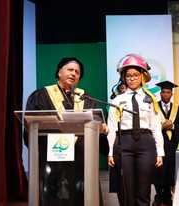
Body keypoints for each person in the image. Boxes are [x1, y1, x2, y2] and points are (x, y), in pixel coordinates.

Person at [25, 57, 108, 206]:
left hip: (80, 159)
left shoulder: (85, 98)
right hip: (53, 157)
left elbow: (96, 120)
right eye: (70, 70)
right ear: (59, 72)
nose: (74, 74)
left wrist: (101, 126)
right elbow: (31, 124)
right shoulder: (41, 96)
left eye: (77, 72)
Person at [107, 54, 164, 206]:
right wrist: (111, 152)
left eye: (135, 75)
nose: (132, 78)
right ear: (124, 78)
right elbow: (112, 127)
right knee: (127, 188)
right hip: (124, 143)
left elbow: (156, 127)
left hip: (146, 144)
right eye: (128, 76)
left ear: (142, 76)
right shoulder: (117, 100)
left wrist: (160, 152)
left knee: (144, 188)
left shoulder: (150, 98)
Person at [153, 81, 179, 206]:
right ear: (160, 93)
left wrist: (172, 126)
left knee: (170, 171)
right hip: (157, 145)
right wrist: (161, 127)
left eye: (168, 92)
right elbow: (149, 125)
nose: (165, 94)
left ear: (171, 94)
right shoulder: (153, 108)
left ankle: (167, 195)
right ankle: (158, 195)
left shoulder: (178, 109)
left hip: (172, 145)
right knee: (158, 170)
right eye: (163, 92)